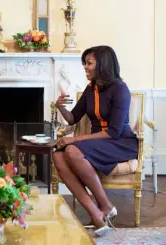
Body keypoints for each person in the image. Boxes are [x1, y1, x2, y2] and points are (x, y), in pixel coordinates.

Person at [53, 45, 138, 236]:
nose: (85, 67)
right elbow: (73, 118)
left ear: (103, 65)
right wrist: (59, 107)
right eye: (85, 63)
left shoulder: (120, 89)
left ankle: (106, 206)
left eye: (89, 63)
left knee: (72, 150)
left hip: (120, 142)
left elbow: (114, 132)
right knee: (58, 157)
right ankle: (96, 215)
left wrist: (73, 140)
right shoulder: (91, 89)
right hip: (98, 142)